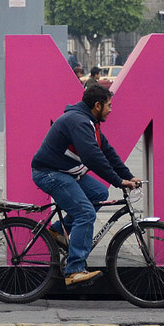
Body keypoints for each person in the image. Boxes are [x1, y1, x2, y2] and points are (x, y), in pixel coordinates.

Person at [31, 84, 141, 286]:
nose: (111, 109)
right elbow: (92, 157)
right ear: (97, 105)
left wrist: (128, 176)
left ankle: (56, 231)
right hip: (49, 173)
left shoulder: (89, 122)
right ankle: (75, 270)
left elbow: (107, 152)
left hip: (65, 171)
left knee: (99, 192)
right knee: (86, 213)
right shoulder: (79, 122)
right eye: (109, 105)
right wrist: (118, 181)